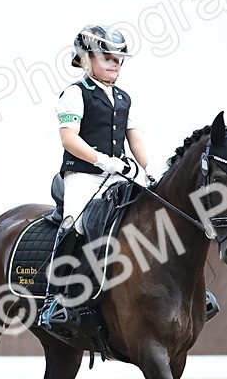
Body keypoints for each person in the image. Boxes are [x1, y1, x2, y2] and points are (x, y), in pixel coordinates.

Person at [39, 24, 159, 330]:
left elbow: (135, 136)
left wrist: (151, 168)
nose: (115, 63)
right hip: (84, 175)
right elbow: (70, 139)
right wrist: (103, 161)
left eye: (118, 58)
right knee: (75, 222)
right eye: (107, 57)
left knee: (151, 214)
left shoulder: (123, 98)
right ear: (84, 58)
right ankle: (55, 300)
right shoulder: (74, 94)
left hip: (118, 175)